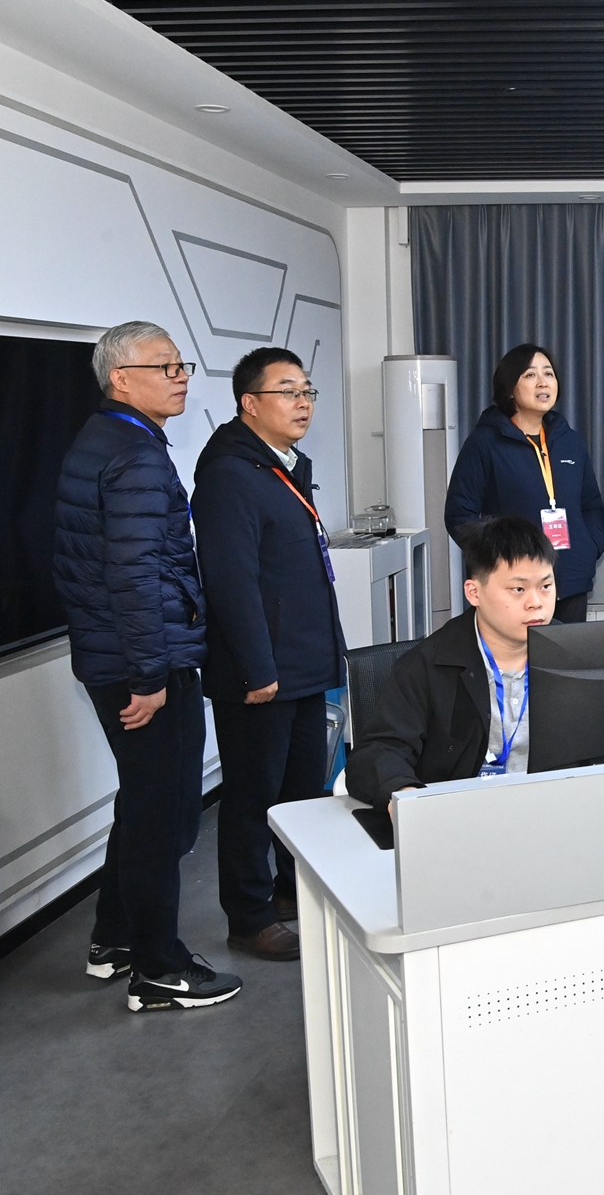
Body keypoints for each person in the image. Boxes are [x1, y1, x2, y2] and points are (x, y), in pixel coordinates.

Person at [51, 320, 241, 1011]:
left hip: (120, 657)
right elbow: (132, 577)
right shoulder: (133, 455)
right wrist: (151, 677)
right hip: (143, 663)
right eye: (166, 367)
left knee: (142, 805)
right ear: (121, 379)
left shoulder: (108, 439)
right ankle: (160, 970)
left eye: (181, 365)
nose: (181, 377)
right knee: (164, 818)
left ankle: (116, 938)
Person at [191, 347, 348, 962]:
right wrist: (258, 669)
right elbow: (232, 581)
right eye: (288, 391)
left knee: (301, 790)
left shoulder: (283, 465)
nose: (303, 403)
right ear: (249, 403)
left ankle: (289, 890)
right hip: (262, 672)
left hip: (302, 663)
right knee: (253, 797)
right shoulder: (230, 474)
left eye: (307, 391)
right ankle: (248, 915)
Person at [347, 517, 557, 811]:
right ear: (474, 592)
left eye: (546, 586)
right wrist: (405, 796)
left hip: (553, 808)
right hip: (458, 813)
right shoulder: (428, 665)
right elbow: (377, 752)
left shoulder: (576, 656)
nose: (536, 602)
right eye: (518, 589)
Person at [446, 344, 604, 623]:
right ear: (510, 388)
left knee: (566, 652)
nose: (543, 382)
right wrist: (500, 560)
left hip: (570, 581)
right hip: (515, 588)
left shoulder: (570, 441)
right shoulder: (485, 443)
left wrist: (589, 547)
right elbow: (459, 515)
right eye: (530, 375)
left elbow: (591, 505)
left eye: (549, 374)